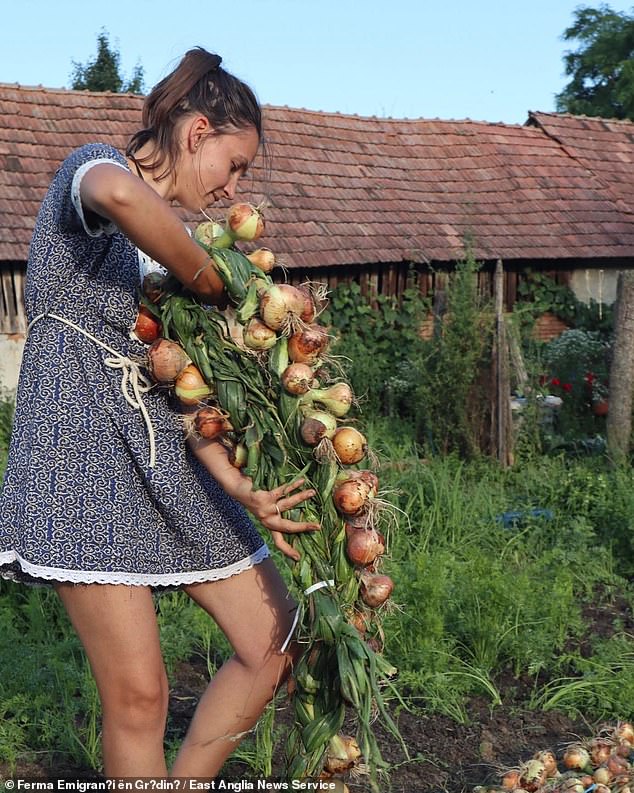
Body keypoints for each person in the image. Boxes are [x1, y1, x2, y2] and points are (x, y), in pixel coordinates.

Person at [0, 47, 319, 779]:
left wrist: (234, 481)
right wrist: (214, 278)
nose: (232, 188)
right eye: (233, 166)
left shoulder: (170, 259)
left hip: (161, 461)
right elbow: (120, 195)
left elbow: (188, 394)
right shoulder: (89, 171)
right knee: (141, 696)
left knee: (273, 642)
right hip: (78, 457)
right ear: (197, 130)